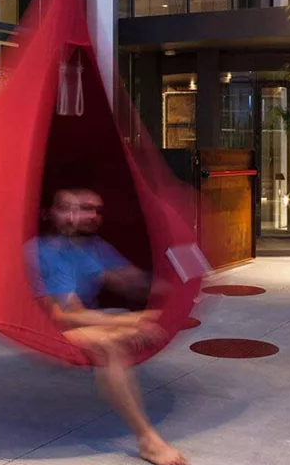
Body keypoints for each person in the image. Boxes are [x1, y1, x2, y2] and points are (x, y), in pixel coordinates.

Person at [32, 188, 188, 465]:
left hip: (82, 318)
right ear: (49, 213)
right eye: (72, 208)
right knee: (110, 345)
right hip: (47, 328)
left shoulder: (87, 247)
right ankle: (147, 439)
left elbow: (130, 280)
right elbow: (66, 315)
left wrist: (184, 279)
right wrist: (128, 322)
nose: (84, 216)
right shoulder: (47, 250)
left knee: (128, 327)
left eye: (93, 210)